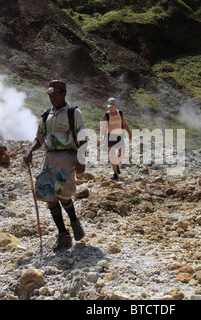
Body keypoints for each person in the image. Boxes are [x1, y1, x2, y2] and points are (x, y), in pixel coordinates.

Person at [23, 80, 87, 251]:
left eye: (55, 94)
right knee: (47, 194)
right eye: (50, 95)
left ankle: (74, 221)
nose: (52, 98)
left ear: (63, 93)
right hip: (49, 156)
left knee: (63, 193)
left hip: (67, 156)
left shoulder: (74, 113)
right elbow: (40, 137)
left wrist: (81, 160)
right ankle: (62, 234)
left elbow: (83, 139)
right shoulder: (46, 115)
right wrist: (30, 151)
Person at [100, 97, 132, 180]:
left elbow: (124, 124)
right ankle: (115, 174)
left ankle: (116, 164)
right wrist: (101, 138)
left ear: (115, 105)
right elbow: (103, 127)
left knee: (121, 154)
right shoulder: (106, 115)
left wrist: (129, 133)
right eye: (109, 107)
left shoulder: (120, 113)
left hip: (119, 135)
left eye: (112, 106)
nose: (111, 108)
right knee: (112, 155)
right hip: (110, 136)